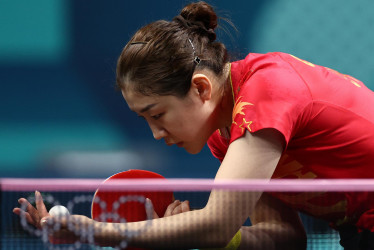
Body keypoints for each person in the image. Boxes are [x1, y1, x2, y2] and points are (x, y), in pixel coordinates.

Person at [13, 1, 374, 249]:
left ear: (201, 87)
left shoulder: (267, 94)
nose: (156, 133)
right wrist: (204, 235)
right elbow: (282, 237)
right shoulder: (226, 134)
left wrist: (99, 232)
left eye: (157, 114)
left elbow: (216, 223)